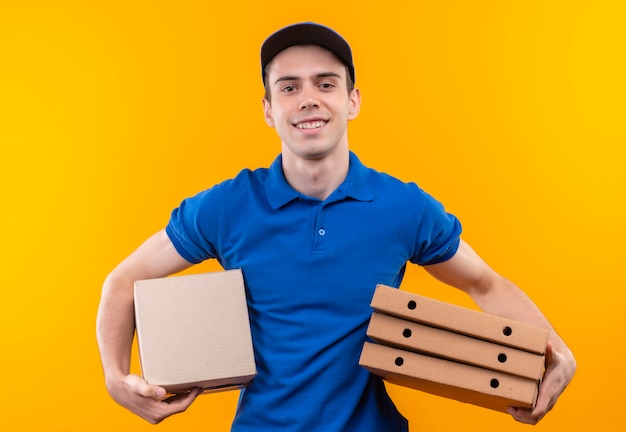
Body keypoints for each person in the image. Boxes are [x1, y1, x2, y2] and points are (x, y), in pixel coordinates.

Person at [96, 22, 576, 431]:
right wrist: (117, 378)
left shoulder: (403, 207)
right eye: (289, 87)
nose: (308, 100)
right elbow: (122, 282)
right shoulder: (227, 206)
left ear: (353, 101)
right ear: (268, 110)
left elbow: (484, 283)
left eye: (326, 84)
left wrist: (556, 351)